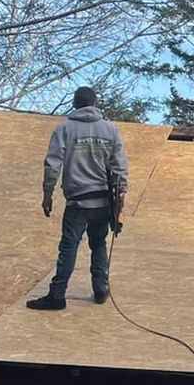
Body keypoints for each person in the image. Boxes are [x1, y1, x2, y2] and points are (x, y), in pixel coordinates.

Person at [27, 87, 130, 310]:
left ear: (75, 104)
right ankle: (101, 289)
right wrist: (119, 205)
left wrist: (47, 194)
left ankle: (57, 295)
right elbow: (120, 168)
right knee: (99, 243)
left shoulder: (64, 129)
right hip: (103, 202)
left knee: (69, 247)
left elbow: (53, 164)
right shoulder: (110, 130)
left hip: (78, 202)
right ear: (96, 103)